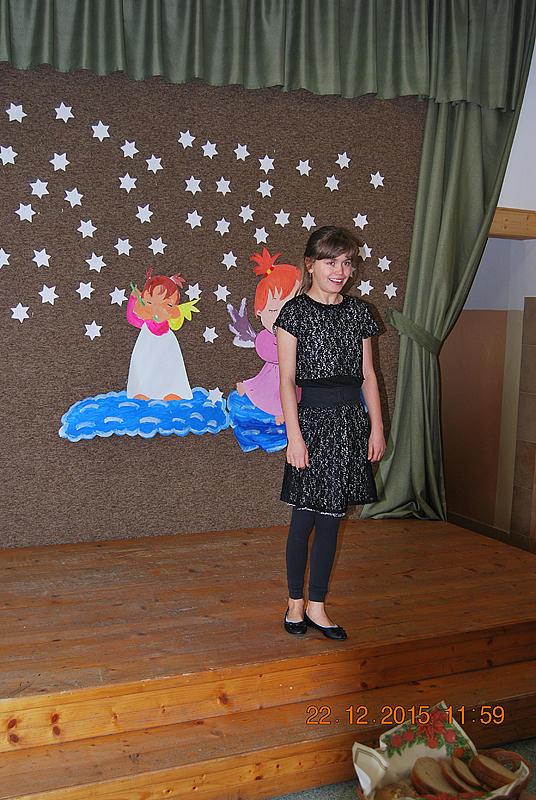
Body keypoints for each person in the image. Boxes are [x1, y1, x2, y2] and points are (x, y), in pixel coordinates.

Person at [274, 226, 385, 641]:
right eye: (330, 262)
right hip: (312, 424)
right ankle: (294, 602)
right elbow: (287, 380)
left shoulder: (359, 312)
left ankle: (317, 606)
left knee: (333, 519)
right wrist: (294, 436)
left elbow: (369, 376)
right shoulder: (294, 313)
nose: (340, 271)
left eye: (346, 262)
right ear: (310, 265)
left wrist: (377, 427)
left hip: (351, 425)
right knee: (304, 518)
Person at [236, 248, 301, 424]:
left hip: (296, 378)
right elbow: (265, 351)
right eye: (273, 311)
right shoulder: (266, 337)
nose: (282, 317)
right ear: (260, 312)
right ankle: (278, 410)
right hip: (275, 375)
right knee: (272, 387)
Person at [126, 269, 195, 402]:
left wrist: (173, 313)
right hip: (146, 344)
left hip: (166, 344)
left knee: (169, 366)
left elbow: (176, 322)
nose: (157, 308)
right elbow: (132, 318)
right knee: (144, 365)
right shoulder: (144, 320)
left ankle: (173, 390)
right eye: (150, 302)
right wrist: (133, 299)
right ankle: (141, 391)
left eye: (167, 304)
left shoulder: (170, 320)